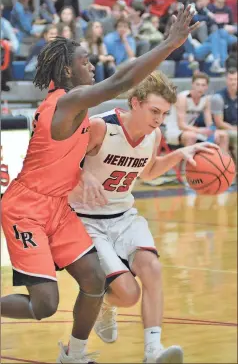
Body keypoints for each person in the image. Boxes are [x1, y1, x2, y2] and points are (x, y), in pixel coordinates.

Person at [1, 5, 200, 364]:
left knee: (95, 280)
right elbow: (122, 82)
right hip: (26, 208)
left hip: (59, 207)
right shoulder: (66, 102)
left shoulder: (79, 107)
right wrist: (170, 43)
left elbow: (119, 81)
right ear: (66, 70)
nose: (91, 66)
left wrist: (83, 174)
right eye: (84, 61)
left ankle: (74, 356)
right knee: (45, 304)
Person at [69, 71, 219, 363]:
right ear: (134, 103)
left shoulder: (155, 135)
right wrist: (82, 174)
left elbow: (148, 172)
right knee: (128, 294)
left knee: (152, 269)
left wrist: (181, 153)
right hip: (86, 220)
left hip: (124, 215)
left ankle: (154, 351)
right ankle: (104, 304)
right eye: (154, 111)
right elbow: (58, 164)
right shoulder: (100, 127)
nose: (158, 119)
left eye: (163, 114)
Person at [172, 72, 229, 151]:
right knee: (191, 136)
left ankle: (222, 162)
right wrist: (201, 131)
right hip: (175, 130)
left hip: (191, 129)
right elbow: (181, 125)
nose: (200, 88)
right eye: (197, 84)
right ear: (192, 85)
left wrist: (212, 130)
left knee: (223, 135)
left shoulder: (206, 100)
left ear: (207, 87)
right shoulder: (183, 98)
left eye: (203, 85)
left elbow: (209, 122)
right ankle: (188, 163)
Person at [211, 67, 237, 163]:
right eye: (231, 79)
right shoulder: (218, 97)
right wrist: (234, 128)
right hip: (223, 130)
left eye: (235, 79)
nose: (233, 82)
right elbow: (219, 123)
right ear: (226, 80)